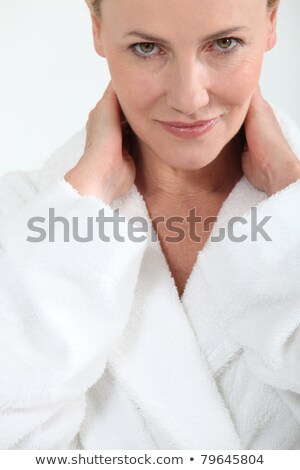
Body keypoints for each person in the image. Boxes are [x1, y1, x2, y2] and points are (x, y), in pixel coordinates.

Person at [0, 0, 300, 450]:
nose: (189, 98)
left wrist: (290, 197)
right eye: (146, 48)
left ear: (272, 23)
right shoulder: (17, 218)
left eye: (224, 43)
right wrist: (84, 200)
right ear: (97, 30)